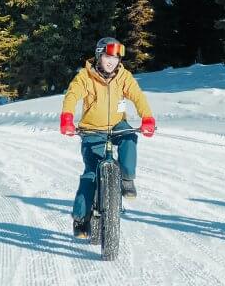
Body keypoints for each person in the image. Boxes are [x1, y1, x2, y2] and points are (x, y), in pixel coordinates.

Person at [60, 37, 156, 239]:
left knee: (129, 136)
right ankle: (81, 218)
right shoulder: (85, 77)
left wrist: (147, 117)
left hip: (116, 125)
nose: (111, 61)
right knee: (91, 174)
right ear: (98, 56)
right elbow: (72, 95)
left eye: (115, 57)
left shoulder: (123, 76)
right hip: (92, 130)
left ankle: (127, 178)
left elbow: (137, 95)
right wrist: (67, 118)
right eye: (107, 56)